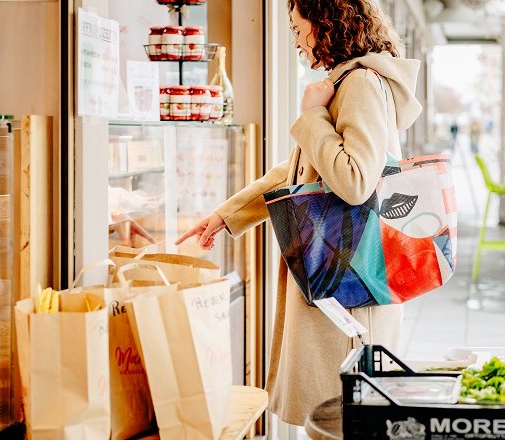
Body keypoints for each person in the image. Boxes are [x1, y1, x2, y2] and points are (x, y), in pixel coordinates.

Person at [175, 0, 422, 426]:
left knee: (340, 422)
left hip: (349, 292)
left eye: (296, 27)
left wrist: (312, 115)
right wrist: (227, 214)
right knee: (333, 420)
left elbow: (354, 180)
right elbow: (298, 172)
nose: (295, 40)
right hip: (342, 279)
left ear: (325, 22)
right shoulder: (348, 83)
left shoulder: (360, 84)